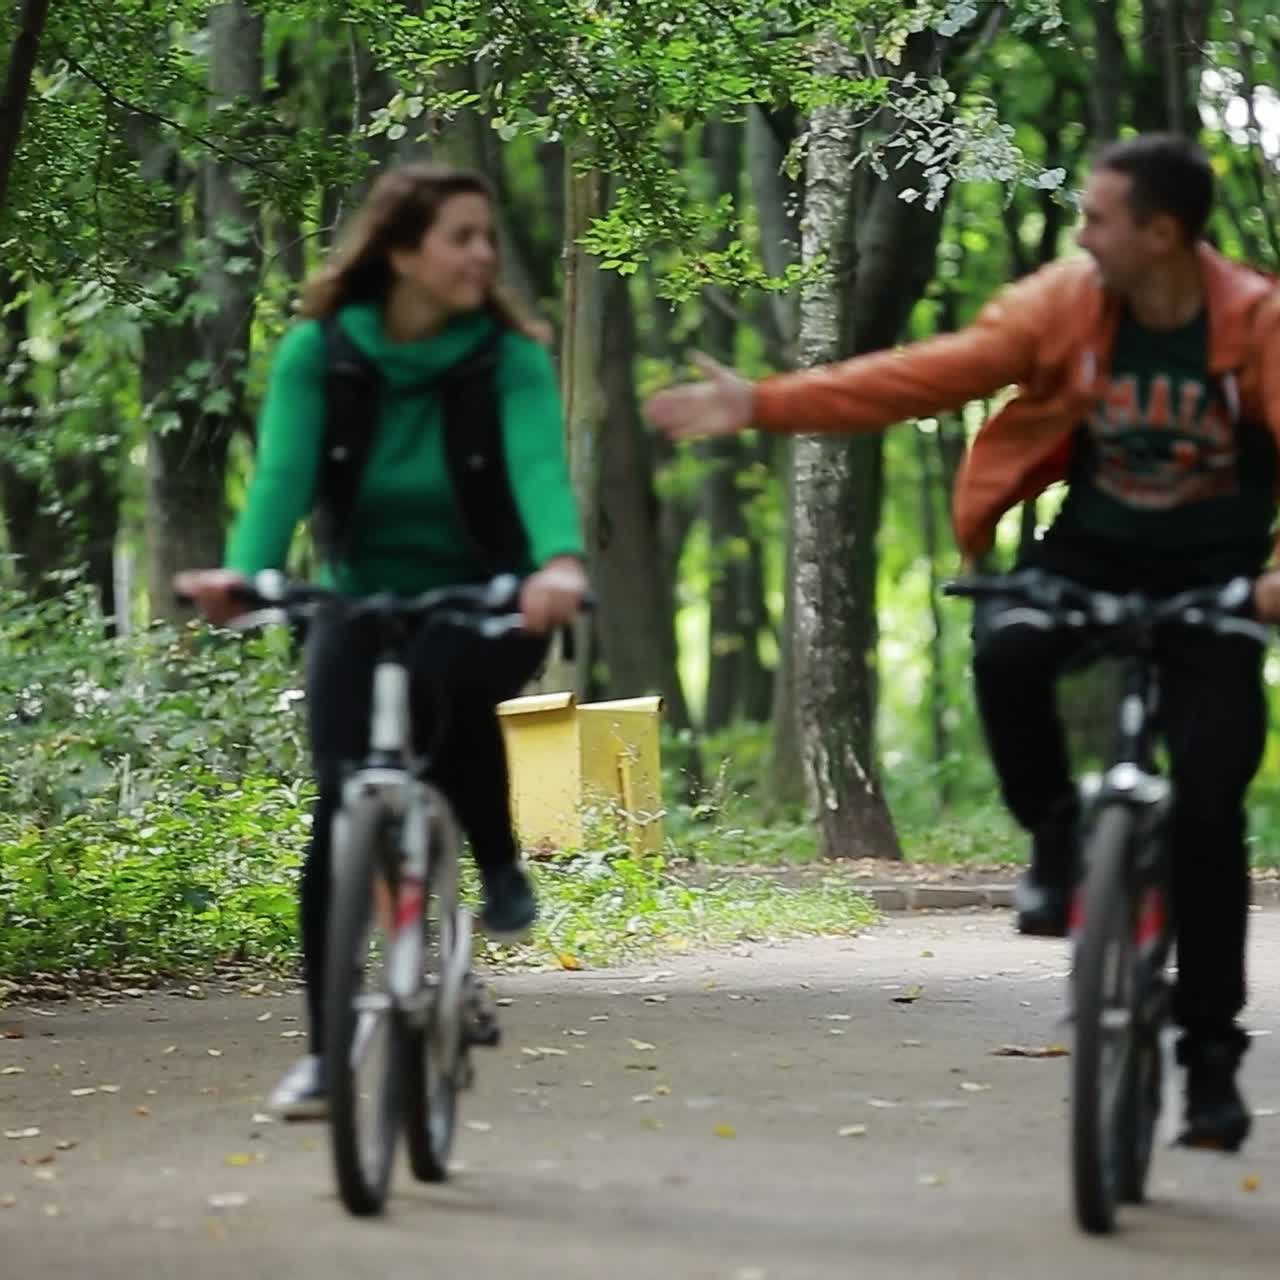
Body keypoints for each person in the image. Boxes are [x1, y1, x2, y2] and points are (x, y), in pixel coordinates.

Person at [645, 134, 1280, 1152]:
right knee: (1008, 643)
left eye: (1098, 217)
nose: (1080, 234)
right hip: (1088, 559)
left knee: (1205, 818)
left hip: (1219, 581)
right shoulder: (1067, 304)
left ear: (1160, 233)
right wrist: (762, 403)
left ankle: (1207, 1065)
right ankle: (1058, 840)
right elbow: (923, 377)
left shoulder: (1255, 325)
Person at [177, 164, 588, 1119]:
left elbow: (536, 467)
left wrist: (558, 563)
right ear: (401, 251)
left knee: (450, 692)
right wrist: (245, 572)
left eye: (489, 237)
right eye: (461, 237)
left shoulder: (508, 356)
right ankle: (326, 1058)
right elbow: (281, 476)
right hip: (359, 598)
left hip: (489, 593)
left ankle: (496, 866)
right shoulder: (322, 352)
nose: (484, 255)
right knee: (337, 812)